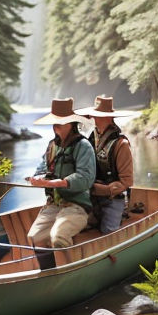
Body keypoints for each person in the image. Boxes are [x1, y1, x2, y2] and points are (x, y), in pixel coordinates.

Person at [27, 98, 96, 248]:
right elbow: (41, 169)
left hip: (77, 207)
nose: (55, 125)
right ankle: (49, 269)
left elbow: (85, 178)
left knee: (58, 236)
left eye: (60, 121)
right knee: (34, 237)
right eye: (54, 121)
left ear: (71, 124)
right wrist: (38, 178)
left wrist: (55, 183)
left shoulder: (83, 146)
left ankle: (72, 269)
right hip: (54, 205)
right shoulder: (52, 146)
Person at [75, 96, 134, 234]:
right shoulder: (90, 140)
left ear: (108, 117)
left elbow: (127, 181)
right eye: (93, 116)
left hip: (112, 200)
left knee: (108, 232)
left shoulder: (121, 145)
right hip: (90, 198)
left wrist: (100, 189)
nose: (93, 119)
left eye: (97, 116)